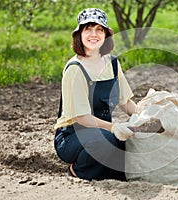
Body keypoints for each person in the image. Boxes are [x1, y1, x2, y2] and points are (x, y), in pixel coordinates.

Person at [54, 8, 137, 181]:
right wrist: (114, 127)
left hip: (102, 132)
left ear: (106, 34)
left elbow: (126, 103)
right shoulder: (75, 69)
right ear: (80, 34)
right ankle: (78, 170)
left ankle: (103, 172)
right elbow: (82, 118)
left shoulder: (112, 63)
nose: (94, 34)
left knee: (128, 145)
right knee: (106, 141)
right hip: (72, 136)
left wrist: (145, 117)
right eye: (88, 29)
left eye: (99, 29)